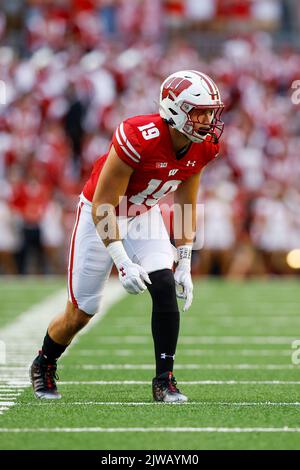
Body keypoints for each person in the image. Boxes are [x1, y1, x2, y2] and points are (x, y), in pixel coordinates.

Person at [30, 70, 224, 402]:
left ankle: (165, 380)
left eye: (210, 111)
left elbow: (187, 202)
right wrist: (121, 262)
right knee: (81, 313)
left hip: (143, 214)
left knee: (163, 283)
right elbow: (103, 205)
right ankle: (44, 362)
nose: (207, 120)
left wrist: (186, 261)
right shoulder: (139, 135)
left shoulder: (203, 146)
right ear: (174, 108)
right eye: (199, 111)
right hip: (100, 214)